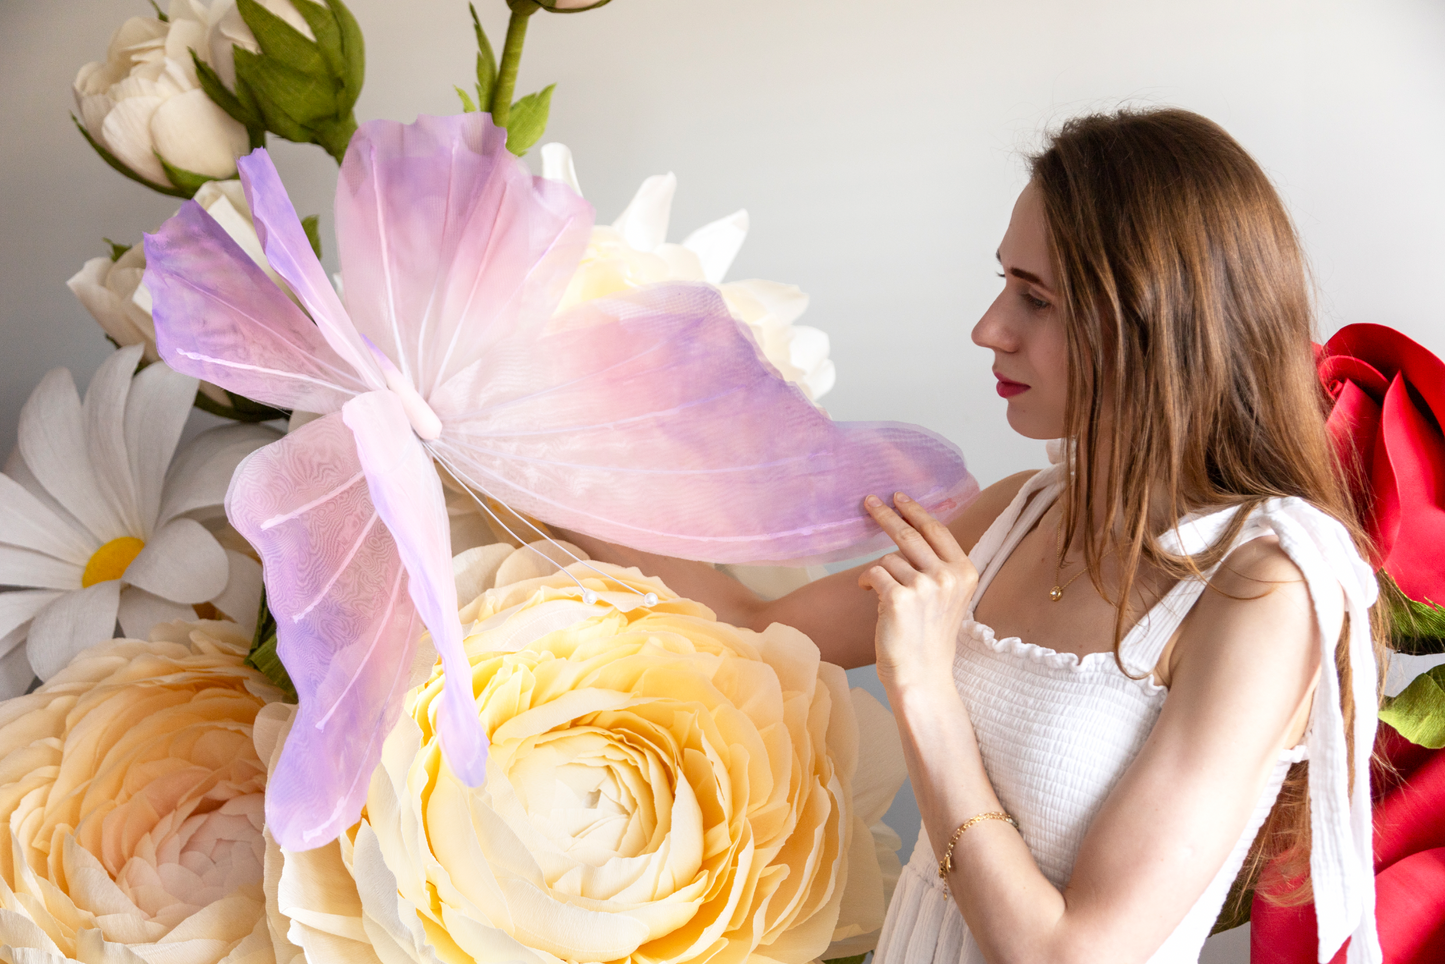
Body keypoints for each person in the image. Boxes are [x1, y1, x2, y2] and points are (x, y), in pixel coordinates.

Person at [561, 107, 1384, 964]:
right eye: (1004, 284)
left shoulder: (1262, 595)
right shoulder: (1015, 515)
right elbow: (736, 623)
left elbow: (1069, 953)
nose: (989, 328)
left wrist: (921, 685)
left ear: (1152, 321)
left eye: (1034, 299)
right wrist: (519, 458)